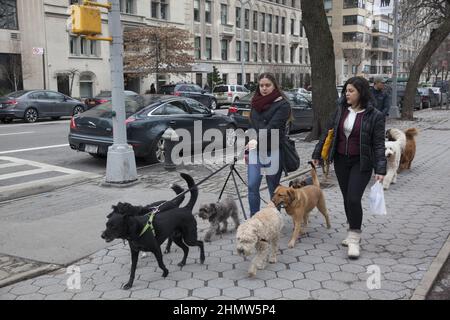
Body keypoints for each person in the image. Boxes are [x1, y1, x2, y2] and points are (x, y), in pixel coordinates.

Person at [311, 76, 386, 259]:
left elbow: (378, 144)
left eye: (351, 91)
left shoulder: (375, 115)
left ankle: (354, 237)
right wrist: (317, 155)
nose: (347, 94)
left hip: (362, 162)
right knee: (346, 198)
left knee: (354, 198)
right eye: (346, 91)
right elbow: (328, 134)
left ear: (361, 93)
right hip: (341, 160)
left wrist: (381, 169)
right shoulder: (340, 111)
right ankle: (351, 229)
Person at [246, 73, 291, 216]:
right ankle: (254, 218)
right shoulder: (255, 103)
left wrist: (257, 139)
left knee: (273, 188)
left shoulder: (283, 104)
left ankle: (274, 220)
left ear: (274, 86)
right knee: (252, 185)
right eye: (261, 85)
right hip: (256, 150)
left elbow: (274, 126)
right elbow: (253, 126)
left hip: (274, 149)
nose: (264, 88)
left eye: (267, 85)